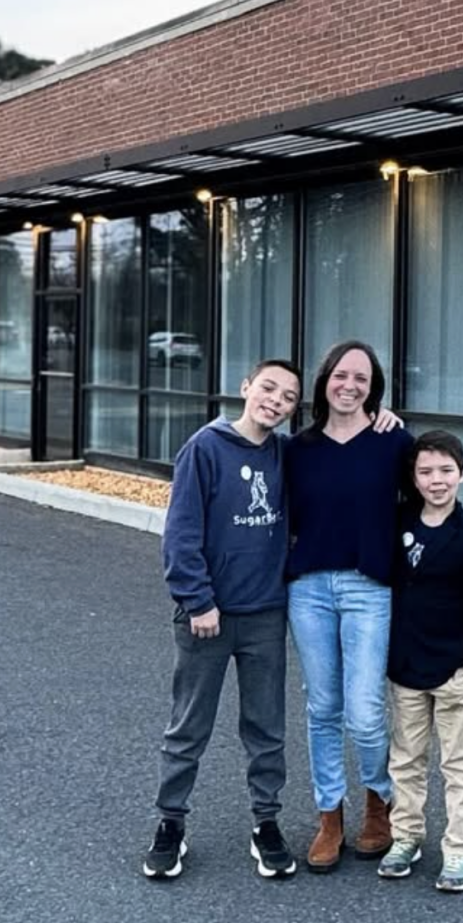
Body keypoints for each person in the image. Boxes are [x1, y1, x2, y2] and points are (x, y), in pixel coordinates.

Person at [285, 339, 463, 872]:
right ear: (324, 380)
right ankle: (330, 816)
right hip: (308, 590)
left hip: (367, 589)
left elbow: (436, 486)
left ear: (373, 386)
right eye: (341, 375)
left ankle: (380, 801)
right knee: (322, 708)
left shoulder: (392, 441)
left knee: (363, 713)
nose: (349, 385)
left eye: (361, 377)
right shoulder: (298, 447)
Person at [142, 359, 307, 882]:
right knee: (188, 726)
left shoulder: (286, 453)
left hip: (264, 615)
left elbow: (342, 446)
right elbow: (181, 535)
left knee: (266, 727)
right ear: (245, 389)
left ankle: (266, 822)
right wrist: (198, 601)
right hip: (207, 618)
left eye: (287, 397)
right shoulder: (204, 448)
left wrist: (384, 416)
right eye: (268, 388)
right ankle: (170, 822)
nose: (275, 401)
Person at [378, 431, 463, 893]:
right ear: (412, 477)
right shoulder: (397, 523)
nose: (436, 480)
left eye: (446, 471)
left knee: (460, 763)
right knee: (406, 758)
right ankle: (406, 835)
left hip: (455, 670)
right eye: (426, 471)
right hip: (407, 667)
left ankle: (458, 848)